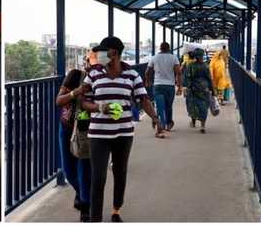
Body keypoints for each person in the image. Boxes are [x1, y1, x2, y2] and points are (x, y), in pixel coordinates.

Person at [80, 36, 161, 222]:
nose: (98, 55)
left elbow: (143, 99)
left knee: (120, 172)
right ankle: (95, 219)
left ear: (114, 53)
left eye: (102, 51)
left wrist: (155, 118)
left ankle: (116, 210)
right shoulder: (93, 74)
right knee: (98, 177)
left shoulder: (132, 75)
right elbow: (84, 101)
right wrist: (100, 107)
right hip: (98, 133)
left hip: (124, 133)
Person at [55, 55, 94, 222]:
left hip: (87, 130)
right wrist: (77, 91)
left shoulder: (103, 82)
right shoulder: (75, 75)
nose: (93, 67)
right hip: (67, 127)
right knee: (69, 171)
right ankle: (81, 192)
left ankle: (86, 205)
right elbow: (59, 100)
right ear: (86, 64)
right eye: (90, 63)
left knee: (85, 171)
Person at [144, 42, 182, 137]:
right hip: (170, 86)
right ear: (169, 48)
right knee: (168, 106)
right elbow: (179, 73)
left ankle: (161, 124)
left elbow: (147, 71)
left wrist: (148, 81)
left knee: (160, 107)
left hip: (158, 85)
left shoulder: (154, 57)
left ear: (160, 48)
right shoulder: (174, 57)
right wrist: (180, 87)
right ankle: (169, 124)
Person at [183, 48, 215, 133]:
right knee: (204, 107)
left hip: (193, 89)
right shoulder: (205, 66)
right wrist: (213, 89)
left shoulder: (191, 66)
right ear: (202, 56)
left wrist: (186, 87)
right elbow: (209, 79)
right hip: (204, 89)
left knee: (192, 105)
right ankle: (203, 126)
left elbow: (187, 77)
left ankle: (193, 122)